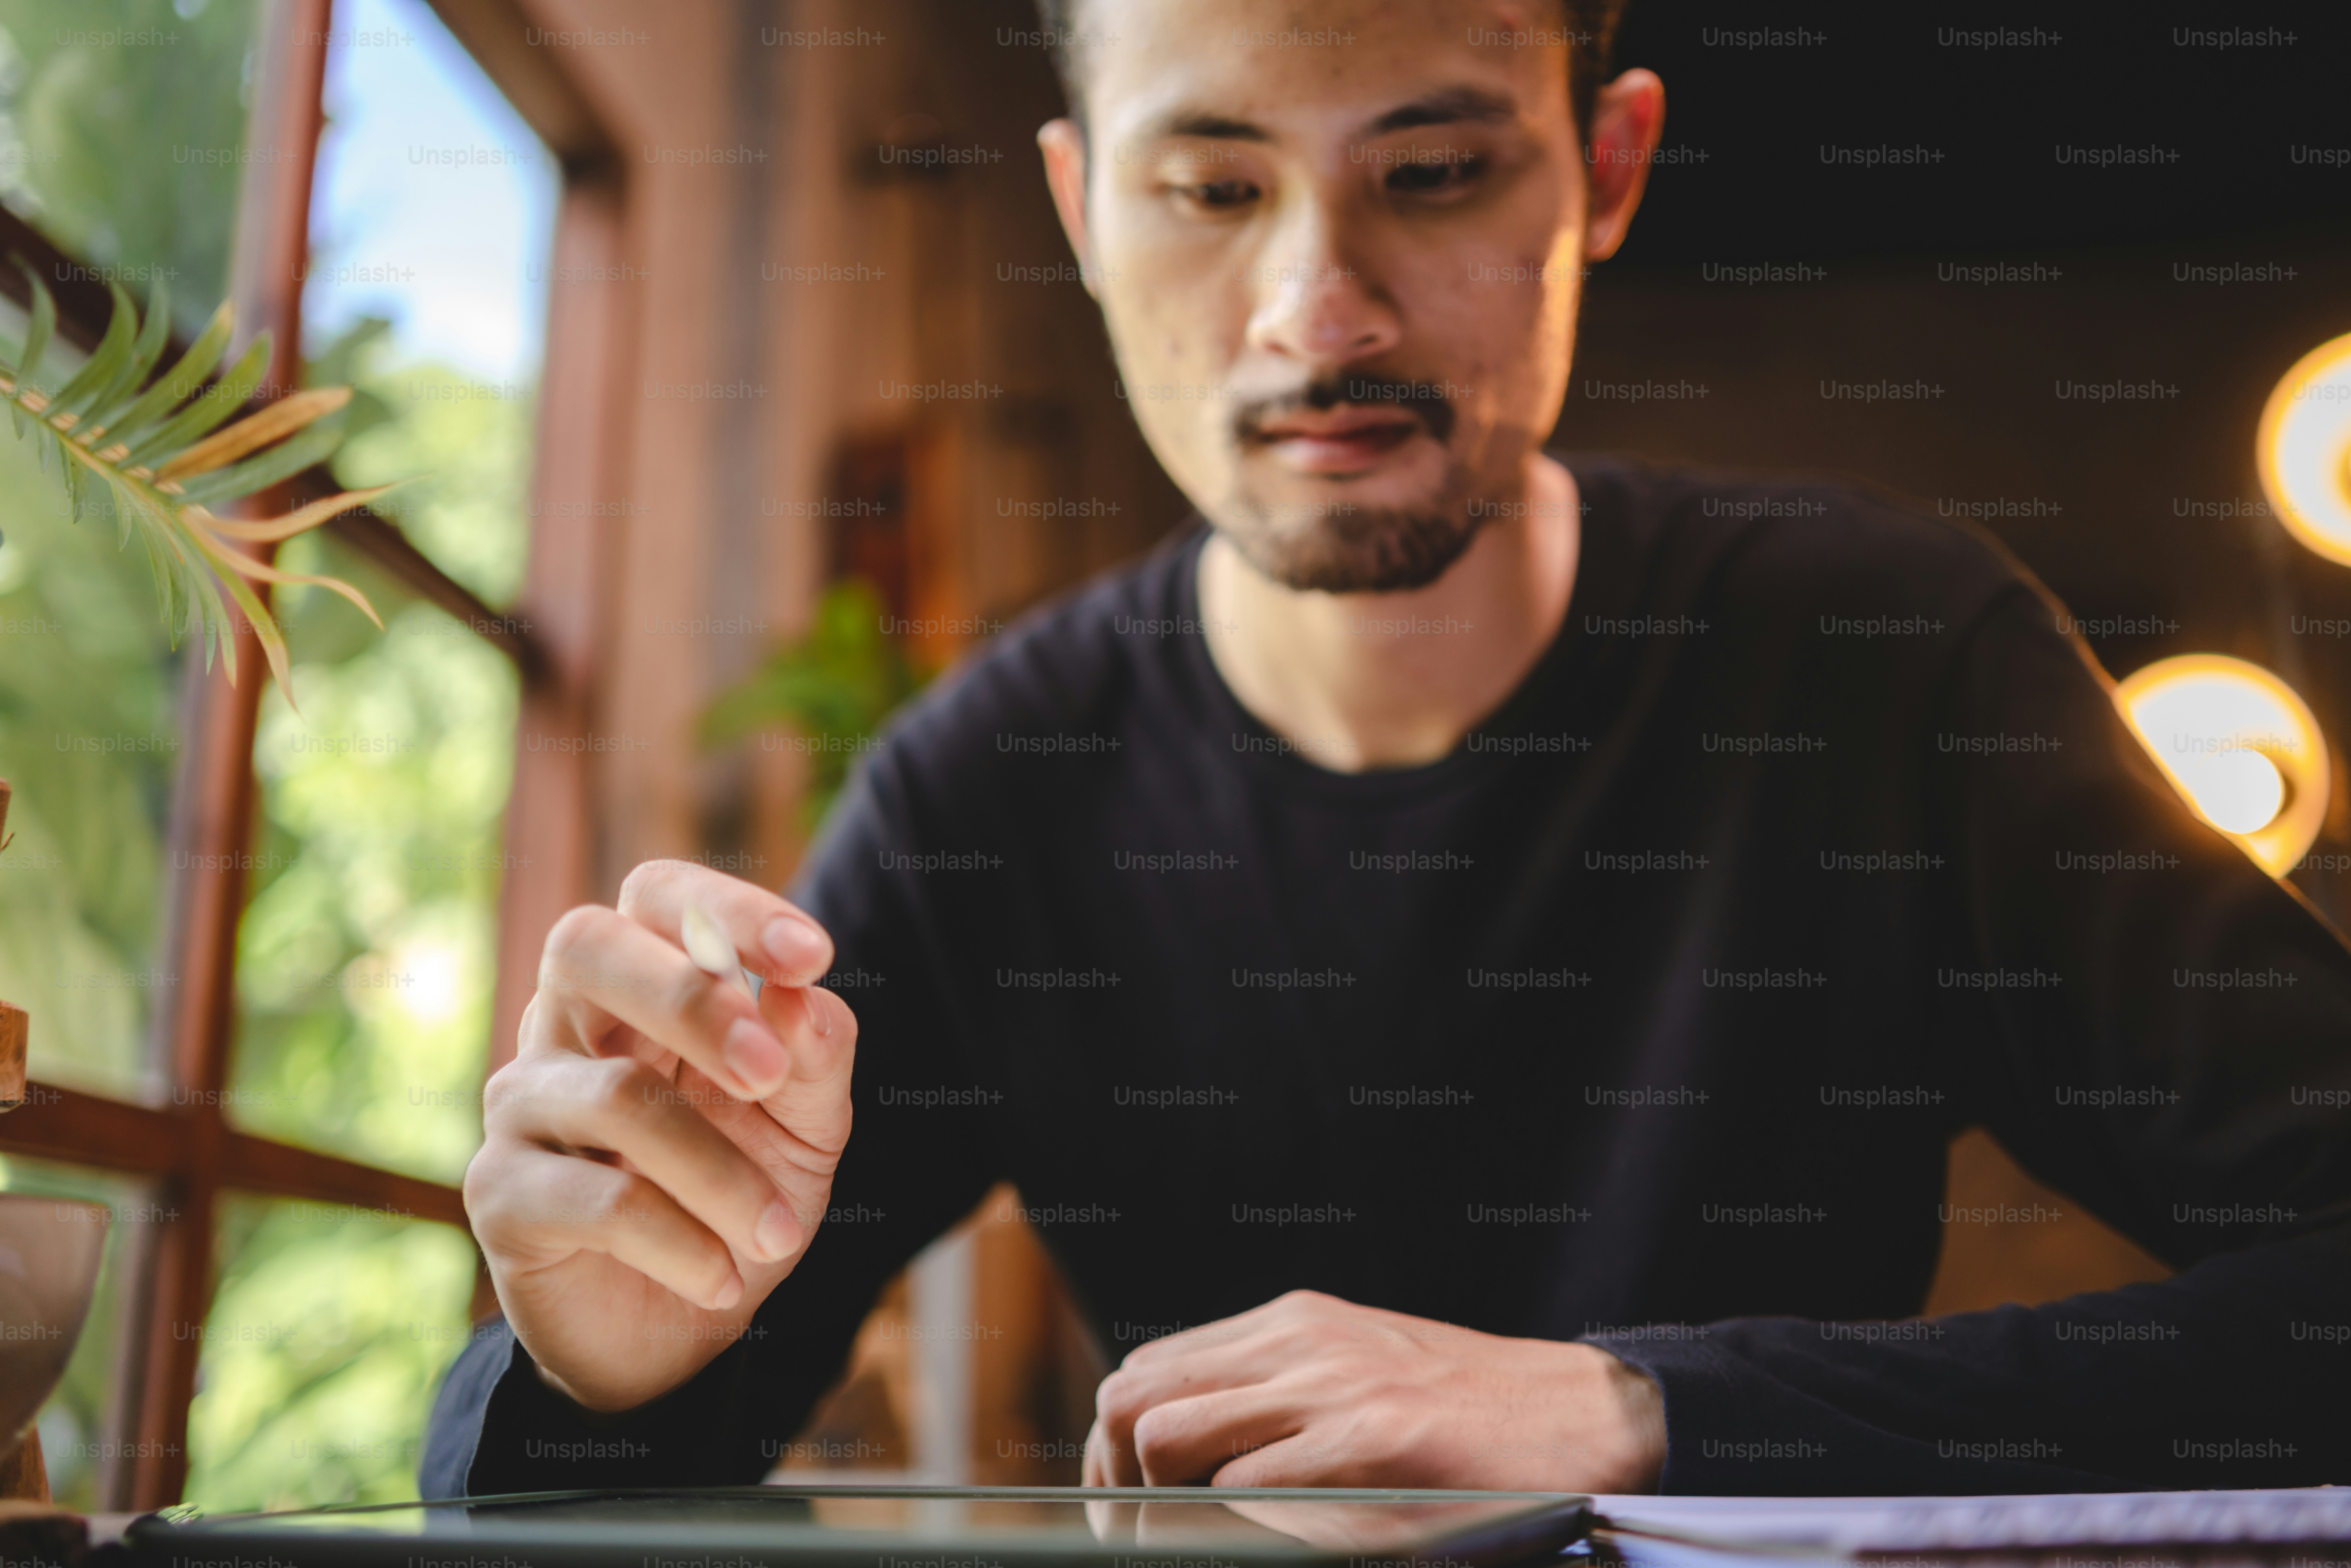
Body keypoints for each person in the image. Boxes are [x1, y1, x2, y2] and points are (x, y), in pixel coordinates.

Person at [423, 0, 2351, 1498]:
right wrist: (591, 1366)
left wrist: (1639, 1405)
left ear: (1605, 170)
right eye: (1211, 186)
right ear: (1083, 210)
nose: (1316, 310)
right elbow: (580, 1469)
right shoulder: (984, 796)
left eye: (1431, 173)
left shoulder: (1890, 660)